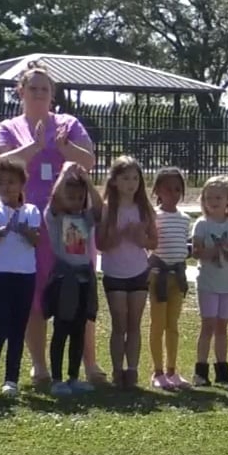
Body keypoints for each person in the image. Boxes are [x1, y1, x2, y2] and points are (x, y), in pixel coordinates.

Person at [0, 60, 100, 388]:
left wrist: (66, 149)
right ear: (20, 92)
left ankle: (89, 364)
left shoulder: (68, 124)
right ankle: (39, 366)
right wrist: (35, 146)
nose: (39, 94)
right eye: (33, 88)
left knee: (80, 290)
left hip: (72, 223)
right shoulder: (8, 128)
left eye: (45, 89)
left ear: (53, 95)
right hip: (31, 223)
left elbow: (89, 161)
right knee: (34, 292)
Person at [0, 157, 41, 397]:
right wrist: (6, 228)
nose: (6, 187)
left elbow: (36, 240)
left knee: (17, 329)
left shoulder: (31, 211)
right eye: (1, 182)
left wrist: (23, 229)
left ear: (22, 184)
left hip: (25, 275)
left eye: (11, 182)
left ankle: (10, 380)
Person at [42, 163, 101, 397]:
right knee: (61, 330)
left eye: (79, 197)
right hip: (64, 280)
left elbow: (99, 207)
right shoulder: (55, 218)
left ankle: (74, 377)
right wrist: (65, 173)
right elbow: (55, 198)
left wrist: (87, 181)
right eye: (71, 197)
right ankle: (57, 379)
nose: (75, 201)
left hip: (84, 279)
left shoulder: (85, 218)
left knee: (79, 330)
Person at [98, 155, 156, 389]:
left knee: (135, 324)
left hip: (139, 272)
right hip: (114, 272)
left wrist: (139, 237)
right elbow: (100, 244)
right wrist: (120, 235)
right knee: (119, 324)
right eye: (125, 178)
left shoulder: (143, 208)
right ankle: (116, 370)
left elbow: (153, 242)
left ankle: (132, 370)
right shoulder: (107, 209)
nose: (131, 183)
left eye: (135, 178)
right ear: (114, 181)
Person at [191, 176, 228, 388]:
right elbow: (195, 252)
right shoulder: (202, 225)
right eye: (209, 197)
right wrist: (211, 250)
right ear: (203, 200)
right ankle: (200, 370)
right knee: (208, 325)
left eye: (218, 197)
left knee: (222, 326)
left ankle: (222, 369)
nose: (214, 201)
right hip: (208, 283)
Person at [148, 167, 191, 390]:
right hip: (158, 278)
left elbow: (184, 246)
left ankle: (172, 370)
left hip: (178, 277)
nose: (173, 193)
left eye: (177, 189)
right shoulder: (153, 215)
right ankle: (157, 371)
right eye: (168, 188)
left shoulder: (184, 219)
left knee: (172, 325)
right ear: (157, 190)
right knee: (158, 324)